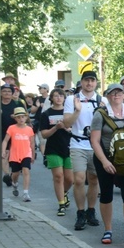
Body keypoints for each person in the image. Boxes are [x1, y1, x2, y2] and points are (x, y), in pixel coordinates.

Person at [90, 83, 124, 247]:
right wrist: (104, 161)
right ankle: (108, 230)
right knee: (106, 194)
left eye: (119, 93)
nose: (116, 96)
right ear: (107, 96)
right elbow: (94, 141)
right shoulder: (100, 114)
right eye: (112, 93)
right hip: (106, 159)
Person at [63, 70, 102, 231]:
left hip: (96, 145)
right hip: (78, 143)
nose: (89, 83)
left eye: (92, 80)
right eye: (87, 80)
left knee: (94, 179)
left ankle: (91, 210)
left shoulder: (101, 100)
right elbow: (66, 123)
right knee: (79, 179)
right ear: (82, 82)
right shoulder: (72, 99)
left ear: (96, 83)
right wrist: (77, 111)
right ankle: (80, 212)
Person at [38, 87, 73, 216]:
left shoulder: (69, 112)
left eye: (61, 96)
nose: (58, 98)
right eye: (56, 96)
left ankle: (64, 192)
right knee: (58, 176)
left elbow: (76, 128)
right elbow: (44, 134)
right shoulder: (46, 114)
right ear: (51, 98)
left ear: (64, 98)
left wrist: (68, 129)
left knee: (70, 178)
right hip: (53, 148)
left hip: (69, 147)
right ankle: (61, 204)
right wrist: (56, 128)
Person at [1, 106, 35, 201]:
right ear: (15, 118)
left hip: (26, 153)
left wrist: (33, 154)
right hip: (15, 154)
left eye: (23, 117)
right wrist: (3, 151)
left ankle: (25, 193)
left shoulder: (29, 129)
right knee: (15, 174)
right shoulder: (12, 128)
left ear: (26, 117)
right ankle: (14, 184)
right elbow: (5, 141)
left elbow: (32, 143)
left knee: (26, 171)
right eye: (18, 117)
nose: (21, 119)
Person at [0, 84, 20, 186]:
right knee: (4, 154)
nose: (7, 93)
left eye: (9, 91)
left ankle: (13, 174)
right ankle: (7, 175)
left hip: (16, 133)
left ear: (12, 93)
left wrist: (15, 118)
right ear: (0, 93)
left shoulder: (17, 104)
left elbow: (26, 118)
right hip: (1, 133)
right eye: (4, 91)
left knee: (15, 155)